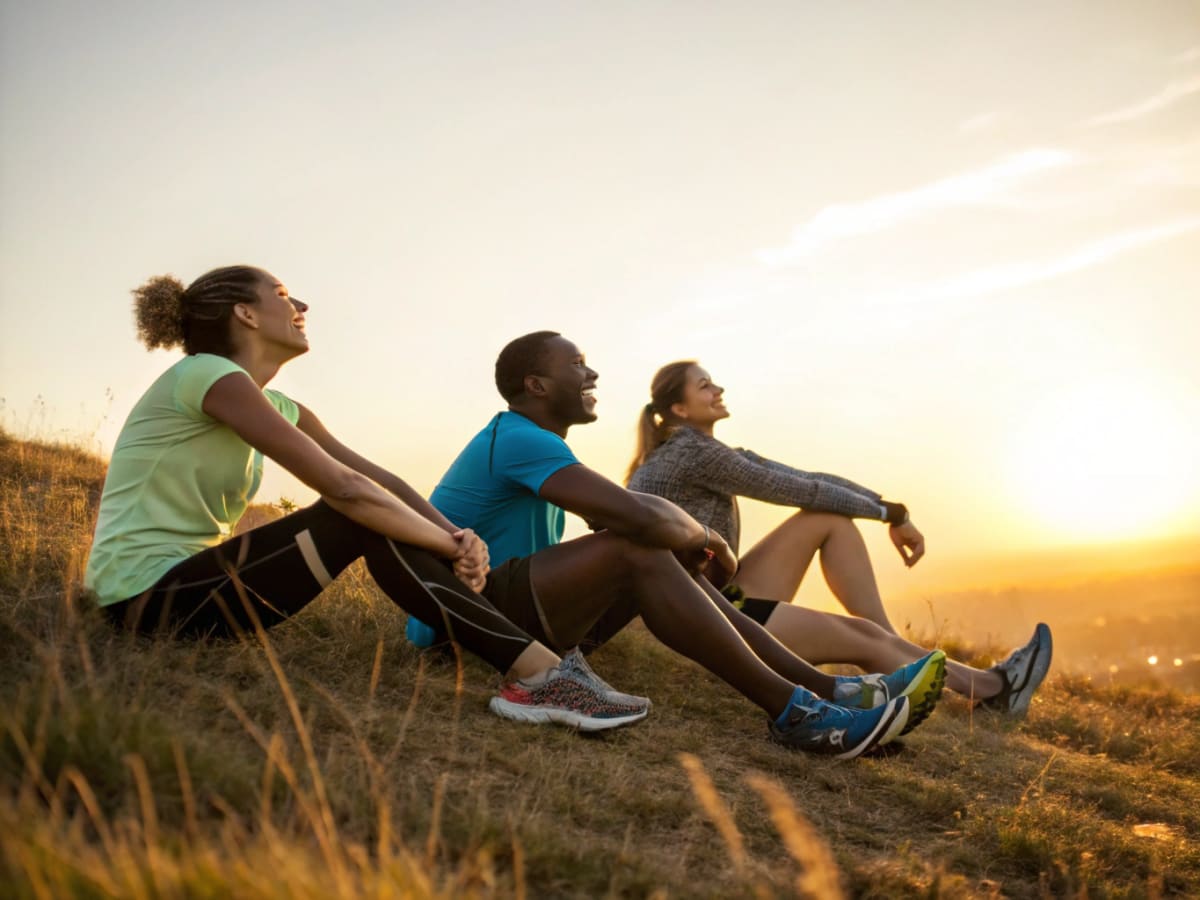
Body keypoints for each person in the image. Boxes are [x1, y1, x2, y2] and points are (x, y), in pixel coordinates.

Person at [83, 265, 651, 733]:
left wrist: (456, 534)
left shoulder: (280, 405)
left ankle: (541, 675)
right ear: (246, 315)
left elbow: (387, 484)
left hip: (203, 594)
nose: (300, 302)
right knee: (353, 516)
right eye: (283, 294)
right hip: (144, 597)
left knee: (373, 512)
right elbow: (345, 489)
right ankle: (540, 676)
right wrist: (448, 545)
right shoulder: (205, 375)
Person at [407, 331, 945, 759]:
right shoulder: (518, 438)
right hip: (464, 624)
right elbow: (638, 516)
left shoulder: (539, 446)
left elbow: (634, 516)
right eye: (576, 364)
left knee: (652, 550)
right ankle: (799, 712)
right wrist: (713, 540)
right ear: (537, 385)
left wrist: (686, 544)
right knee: (635, 546)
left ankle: (827, 694)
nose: (592, 373)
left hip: (510, 621)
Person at [625, 361, 1053, 715]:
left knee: (828, 520)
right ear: (679, 408)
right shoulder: (691, 452)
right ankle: (994, 688)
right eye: (704, 386)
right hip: (693, 613)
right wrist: (889, 513)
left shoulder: (706, 451)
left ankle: (897, 650)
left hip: (710, 591)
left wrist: (891, 509)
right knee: (858, 637)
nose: (718, 389)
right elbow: (794, 489)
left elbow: (808, 480)